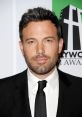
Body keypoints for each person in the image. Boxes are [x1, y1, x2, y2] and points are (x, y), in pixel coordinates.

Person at [0, 7, 82, 117]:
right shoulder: (2, 92)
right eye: (31, 42)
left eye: (48, 40)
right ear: (22, 47)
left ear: (60, 45)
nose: (40, 50)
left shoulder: (79, 89)